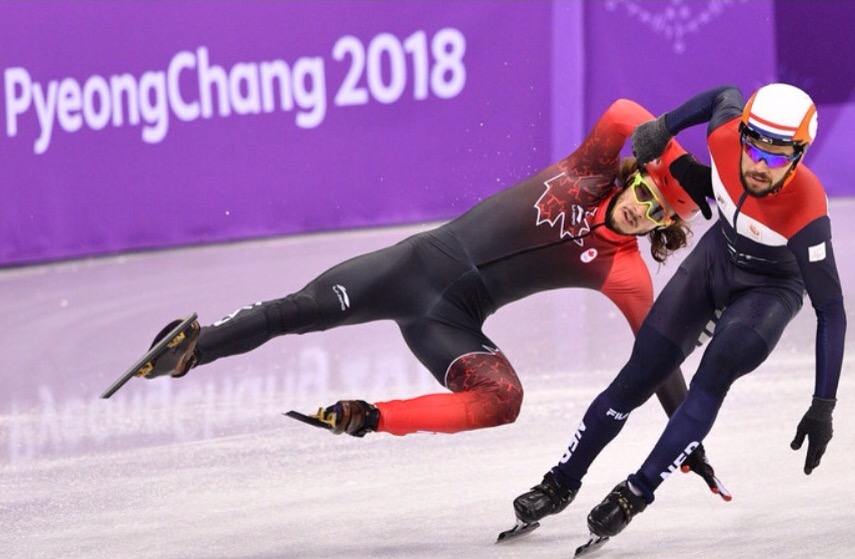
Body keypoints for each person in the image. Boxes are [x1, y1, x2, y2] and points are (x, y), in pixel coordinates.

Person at [138, 98, 723, 506]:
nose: (640, 210)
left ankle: (368, 417)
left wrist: (687, 441)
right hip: (409, 268)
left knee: (503, 400)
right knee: (303, 310)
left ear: (663, 227)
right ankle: (194, 350)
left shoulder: (626, 273)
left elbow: (658, 361)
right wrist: (677, 154)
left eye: (656, 213)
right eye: (643, 193)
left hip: (449, 323)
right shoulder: (588, 170)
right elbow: (623, 113)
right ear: (632, 177)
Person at [514, 83, 846, 549]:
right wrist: (663, 127)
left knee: (715, 372)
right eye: (753, 149)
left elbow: (831, 311)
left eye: (775, 159)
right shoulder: (725, 138)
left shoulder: (807, 209)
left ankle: (635, 492)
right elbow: (723, 95)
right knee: (639, 373)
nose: (758, 166)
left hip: (769, 291)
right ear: (742, 134)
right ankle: (561, 481)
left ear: (799, 156)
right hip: (716, 261)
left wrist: (823, 405)